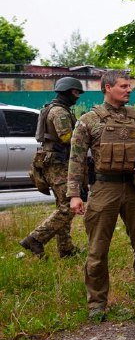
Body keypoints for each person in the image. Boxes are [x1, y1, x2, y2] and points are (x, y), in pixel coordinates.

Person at [67, 71, 135, 320]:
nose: (129, 90)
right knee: (97, 251)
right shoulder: (89, 120)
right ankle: (97, 303)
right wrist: (74, 194)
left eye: (130, 86)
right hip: (104, 189)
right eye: (124, 86)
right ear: (107, 88)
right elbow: (76, 159)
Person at [19, 77, 84, 258]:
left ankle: (66, 249)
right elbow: (66, 138)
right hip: (58, 164)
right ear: (67, 91)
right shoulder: (59, 112)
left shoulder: (52, 108)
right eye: (76, 92)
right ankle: (35, 239)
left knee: (63, 205)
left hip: (53, 162)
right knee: (68, 207)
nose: (78, 96)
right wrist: (83, 132)